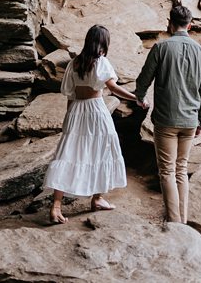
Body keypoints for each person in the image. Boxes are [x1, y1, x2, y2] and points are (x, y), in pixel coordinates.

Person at [44, 24, 147, 224]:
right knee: (103, 150)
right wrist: (135, 98)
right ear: (103, 43)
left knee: (68, 154)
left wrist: (69, 118)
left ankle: (57, 206)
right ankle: (97, 197)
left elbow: (71, 95)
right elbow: (113, 88)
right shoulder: (101, 62)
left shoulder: (74, 63)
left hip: (76, 110)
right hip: (95, 111)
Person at [135, 3, 201, 225]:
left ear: (170, 23)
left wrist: (140, 97)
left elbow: (144, 79)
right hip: (190, 120)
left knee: (167, 171)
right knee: (181, 169)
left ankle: (174, 222)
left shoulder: (161, 48)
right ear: (190, 25)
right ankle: (183, 221)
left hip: (166, 119)